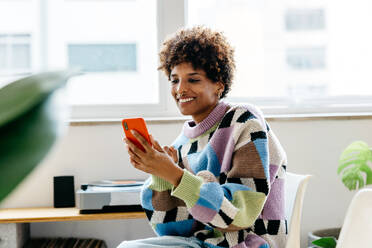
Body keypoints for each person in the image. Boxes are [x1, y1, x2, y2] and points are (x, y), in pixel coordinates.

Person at [119, 26, 287, 248]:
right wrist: (161, 176)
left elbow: (239, 215)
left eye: (193, 79)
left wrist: (175, 174)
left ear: (219, 84)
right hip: (201, 242)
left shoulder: (245, 122)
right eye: (174, 79)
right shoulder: (184, 142)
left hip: (246, 242)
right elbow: (172, 230)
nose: (181, 89)